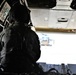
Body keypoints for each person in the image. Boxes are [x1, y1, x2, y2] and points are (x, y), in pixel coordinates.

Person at [0, 3, 43, 74]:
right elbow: (37, 54)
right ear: (27, 18)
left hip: (7, 69)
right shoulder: (32, 34)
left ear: (11, 16)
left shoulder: (4, 32)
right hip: (26, 69)